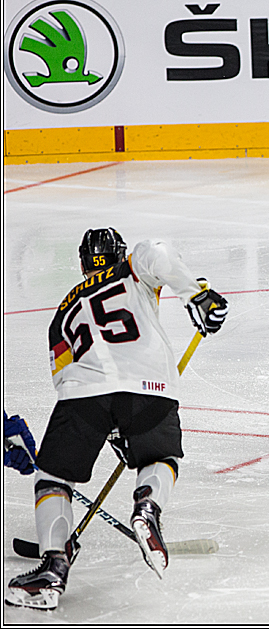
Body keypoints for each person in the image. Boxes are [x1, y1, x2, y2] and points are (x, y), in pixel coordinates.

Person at [5, 228, 229, 610]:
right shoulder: (131, 269)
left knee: (52, 477)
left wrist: (106, 427)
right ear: (120, 253)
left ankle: (53, 564)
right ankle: (147, 508)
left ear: (80, 264)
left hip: (82, 393)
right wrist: (198, 293)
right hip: (150, 386)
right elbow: (157, 250)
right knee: (160, 457)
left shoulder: (63, 310)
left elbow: (62, 373)